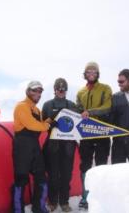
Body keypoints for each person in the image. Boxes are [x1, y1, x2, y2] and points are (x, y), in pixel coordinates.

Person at [76, 61, 112, 210]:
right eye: (88, 72)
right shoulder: (80, 92)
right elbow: (78, 109)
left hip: (102, 132)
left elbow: (107, 107)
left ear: (97, 74)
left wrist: (90, 112)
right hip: (86, 134)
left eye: (94, 72)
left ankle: (100, 199)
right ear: (85, 74)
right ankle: (85, 196)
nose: (91, 74)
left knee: (101, 165)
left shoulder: (105, 88)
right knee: (85, 166)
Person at [12, 80, 52, 213]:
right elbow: (31, 124)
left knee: (41, 177)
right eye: (34, 90)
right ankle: (18, 210)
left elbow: (39, 125)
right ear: (28, 91)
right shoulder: (21, 106)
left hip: (34, 146)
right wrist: (46, 125)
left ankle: (39, 208)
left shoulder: (36, 109)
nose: (38, 93)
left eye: (40, 91)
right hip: (22, 147)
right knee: (21, 179)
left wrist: (50, 121)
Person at [42, 78, 77, 212]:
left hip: (68, 146)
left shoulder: (72, 104)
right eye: (58, 89)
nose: (61, 91)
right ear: (54, 90)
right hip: (53, 145)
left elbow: (79, 122)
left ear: (66, 90)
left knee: (66, 175)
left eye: (63, 89)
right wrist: (50, 122)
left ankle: (64, 202)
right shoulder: (47, 105)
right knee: (52, 175)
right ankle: (52, 201)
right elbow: (43, 123)